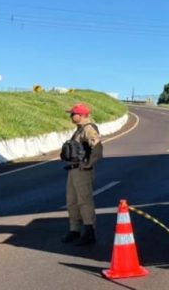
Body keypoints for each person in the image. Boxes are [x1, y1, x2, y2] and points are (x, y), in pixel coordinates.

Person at [61, 103, 103, 246]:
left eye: (73, 113)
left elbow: (97, 148)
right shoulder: (79, 130)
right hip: (73, 170)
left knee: (84, 201)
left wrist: (89, 164)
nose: (71, 116)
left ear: (82, 115)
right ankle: (74, 230)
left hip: (82, 171)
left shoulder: (89, 129)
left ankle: (89, 231)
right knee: (71, 201)